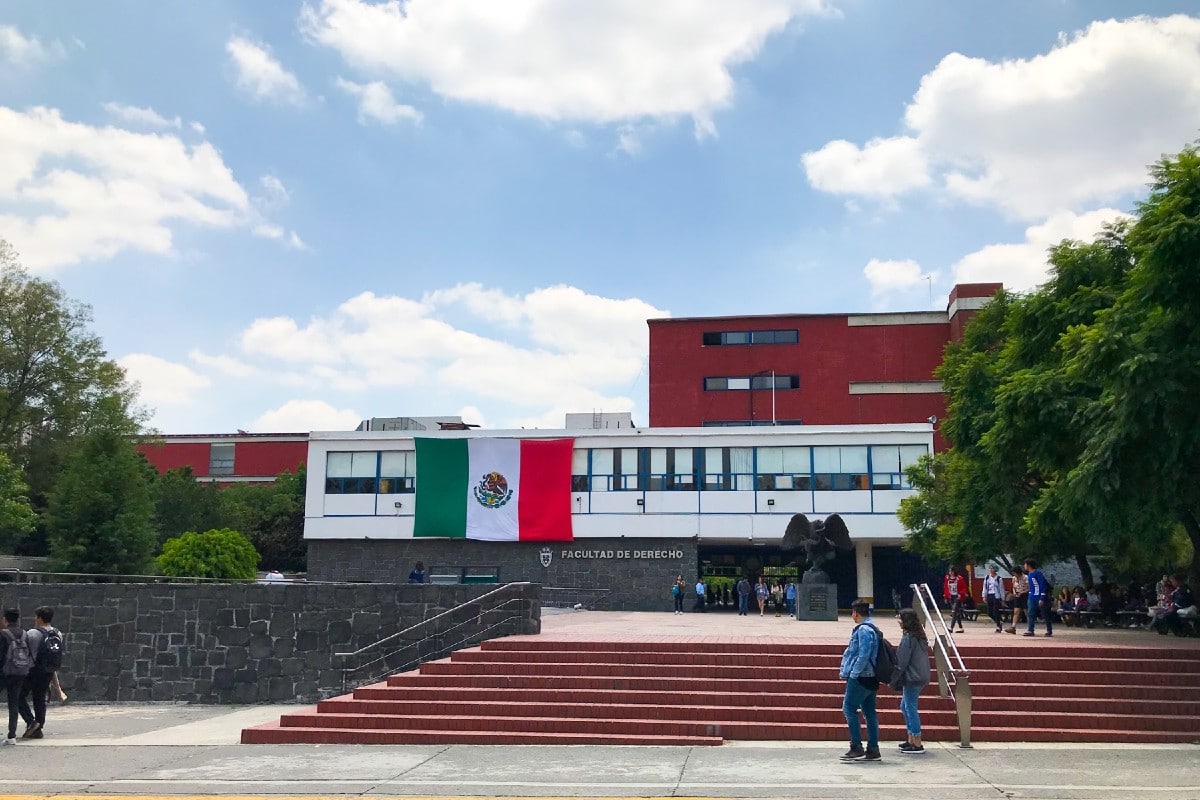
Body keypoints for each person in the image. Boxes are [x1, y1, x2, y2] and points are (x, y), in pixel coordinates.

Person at [838, 599, 881, 762]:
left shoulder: (863, 630)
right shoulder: (873, 627)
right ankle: (873, 748)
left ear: (856, 613)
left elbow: (863, 654)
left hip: (861, 677)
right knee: (869, 713)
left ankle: (856, 746)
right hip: (871, 677)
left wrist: (854, 674)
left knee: (848, 708)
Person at [890, 608, 931, 754]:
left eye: (900, 618)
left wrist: (893, 677)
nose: (898, 621)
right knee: (905, 705)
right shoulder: (920, 636)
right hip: (921, 675)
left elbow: (902, 660)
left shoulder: (908, 638)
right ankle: (911, 739)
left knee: (910, 707)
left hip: (912, 677)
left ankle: (917, 742)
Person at [17, 606, 59, 740]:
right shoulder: (57, 633)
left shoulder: (32, 633)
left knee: (18, 696)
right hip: (48, 671)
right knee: (39, 699)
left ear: (40, 618)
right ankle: (38, 729)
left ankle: (31, 723)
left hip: (32, 671)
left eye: (36, 616)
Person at [0, 609, 30, 746]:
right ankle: (12, 735)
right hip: (20, 672)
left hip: (4, 672)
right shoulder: (24, 633)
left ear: (5, 619)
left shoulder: (3, 634)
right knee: (14, 703)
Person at [1022, 559, 1053, 637]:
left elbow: (1042, 585)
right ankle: (1030, 630)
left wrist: (1042, 597)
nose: (1024, 566)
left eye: (1025, 564)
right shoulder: (1029, 574)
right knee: (1030, 613)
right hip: (1031, 596)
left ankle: (1049, 630)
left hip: (1039, 596)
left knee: (1045, 614)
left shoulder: (1038, 574)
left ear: (1028, 565)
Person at [943, 566, 966, 633]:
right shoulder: (947, 578)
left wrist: (961, 594)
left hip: (957, 596)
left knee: (954, 611)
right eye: (950, 571)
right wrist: (945, 596)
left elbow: (964, 587)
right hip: (951, 596)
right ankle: (961, 628)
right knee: (957, 613)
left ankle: (951, 628)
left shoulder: (959, 578)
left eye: (952, 571)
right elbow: (945, 587)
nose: (951, 573)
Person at [1005, 567, 1028, 634]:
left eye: (1015, 573)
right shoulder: (1014, 578)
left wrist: (1022, 592)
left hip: (1024, 595)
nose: (1014, 575)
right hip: (1017, 595)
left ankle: (1030, 627)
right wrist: (1014, 593)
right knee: (1016, 612)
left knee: (1026, 612)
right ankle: (1013, 627)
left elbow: (1029, 588)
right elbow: (1013, 587)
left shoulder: (1025, 577)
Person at [982, 565, 1004, 633]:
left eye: (992, 569)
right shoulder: (987, 577)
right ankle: (999, 621)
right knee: (990, 612)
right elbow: (984, 587)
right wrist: (984, 596)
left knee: (996, 611)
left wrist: (1002, 598)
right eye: (990, 568)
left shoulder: (999, 578)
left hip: (996, 596)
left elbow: (1001, 589)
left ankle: (998, 626)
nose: (991, 570)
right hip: (989, 595)